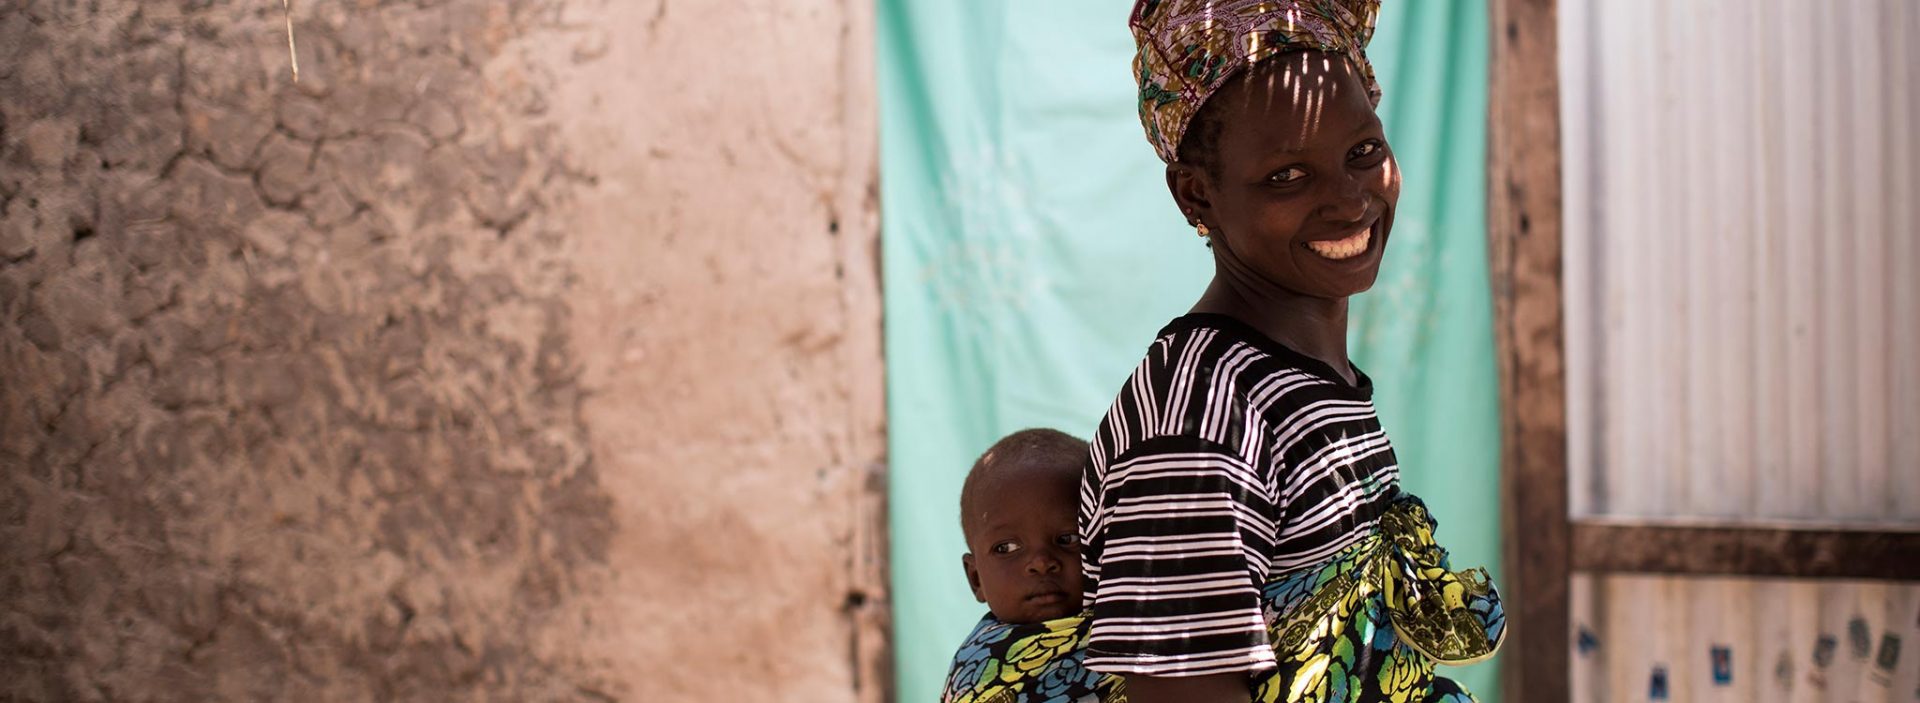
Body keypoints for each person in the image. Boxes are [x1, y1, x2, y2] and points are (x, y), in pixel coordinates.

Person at [1076, 2, 1506, 702]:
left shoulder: (1299, 380)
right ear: (1196, 194)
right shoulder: (1202, 419)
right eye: (1287, 176)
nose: (1349, 199)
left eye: (1363, 152)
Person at [942, 429, 1124, 703]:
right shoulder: (973, 673)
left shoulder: (1142, 633)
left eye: (1069, 539)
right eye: (1006, 548)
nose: (1041, 563)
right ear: (976, 578)